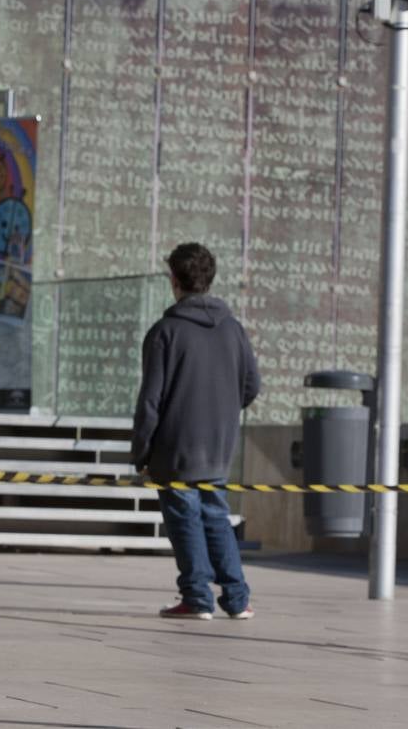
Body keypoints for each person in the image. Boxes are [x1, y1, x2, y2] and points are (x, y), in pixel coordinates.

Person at [131, 242, 260, 621]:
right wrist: (221, 414)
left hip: (174, 449)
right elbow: (251, 385)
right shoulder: (233, 329)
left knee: (185, 519)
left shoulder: (165, 332)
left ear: (174, 279)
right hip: (218, 447)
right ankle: (237, 599)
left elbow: (151, 400)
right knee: (217, 517)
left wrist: (141, 452)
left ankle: (197, 597)